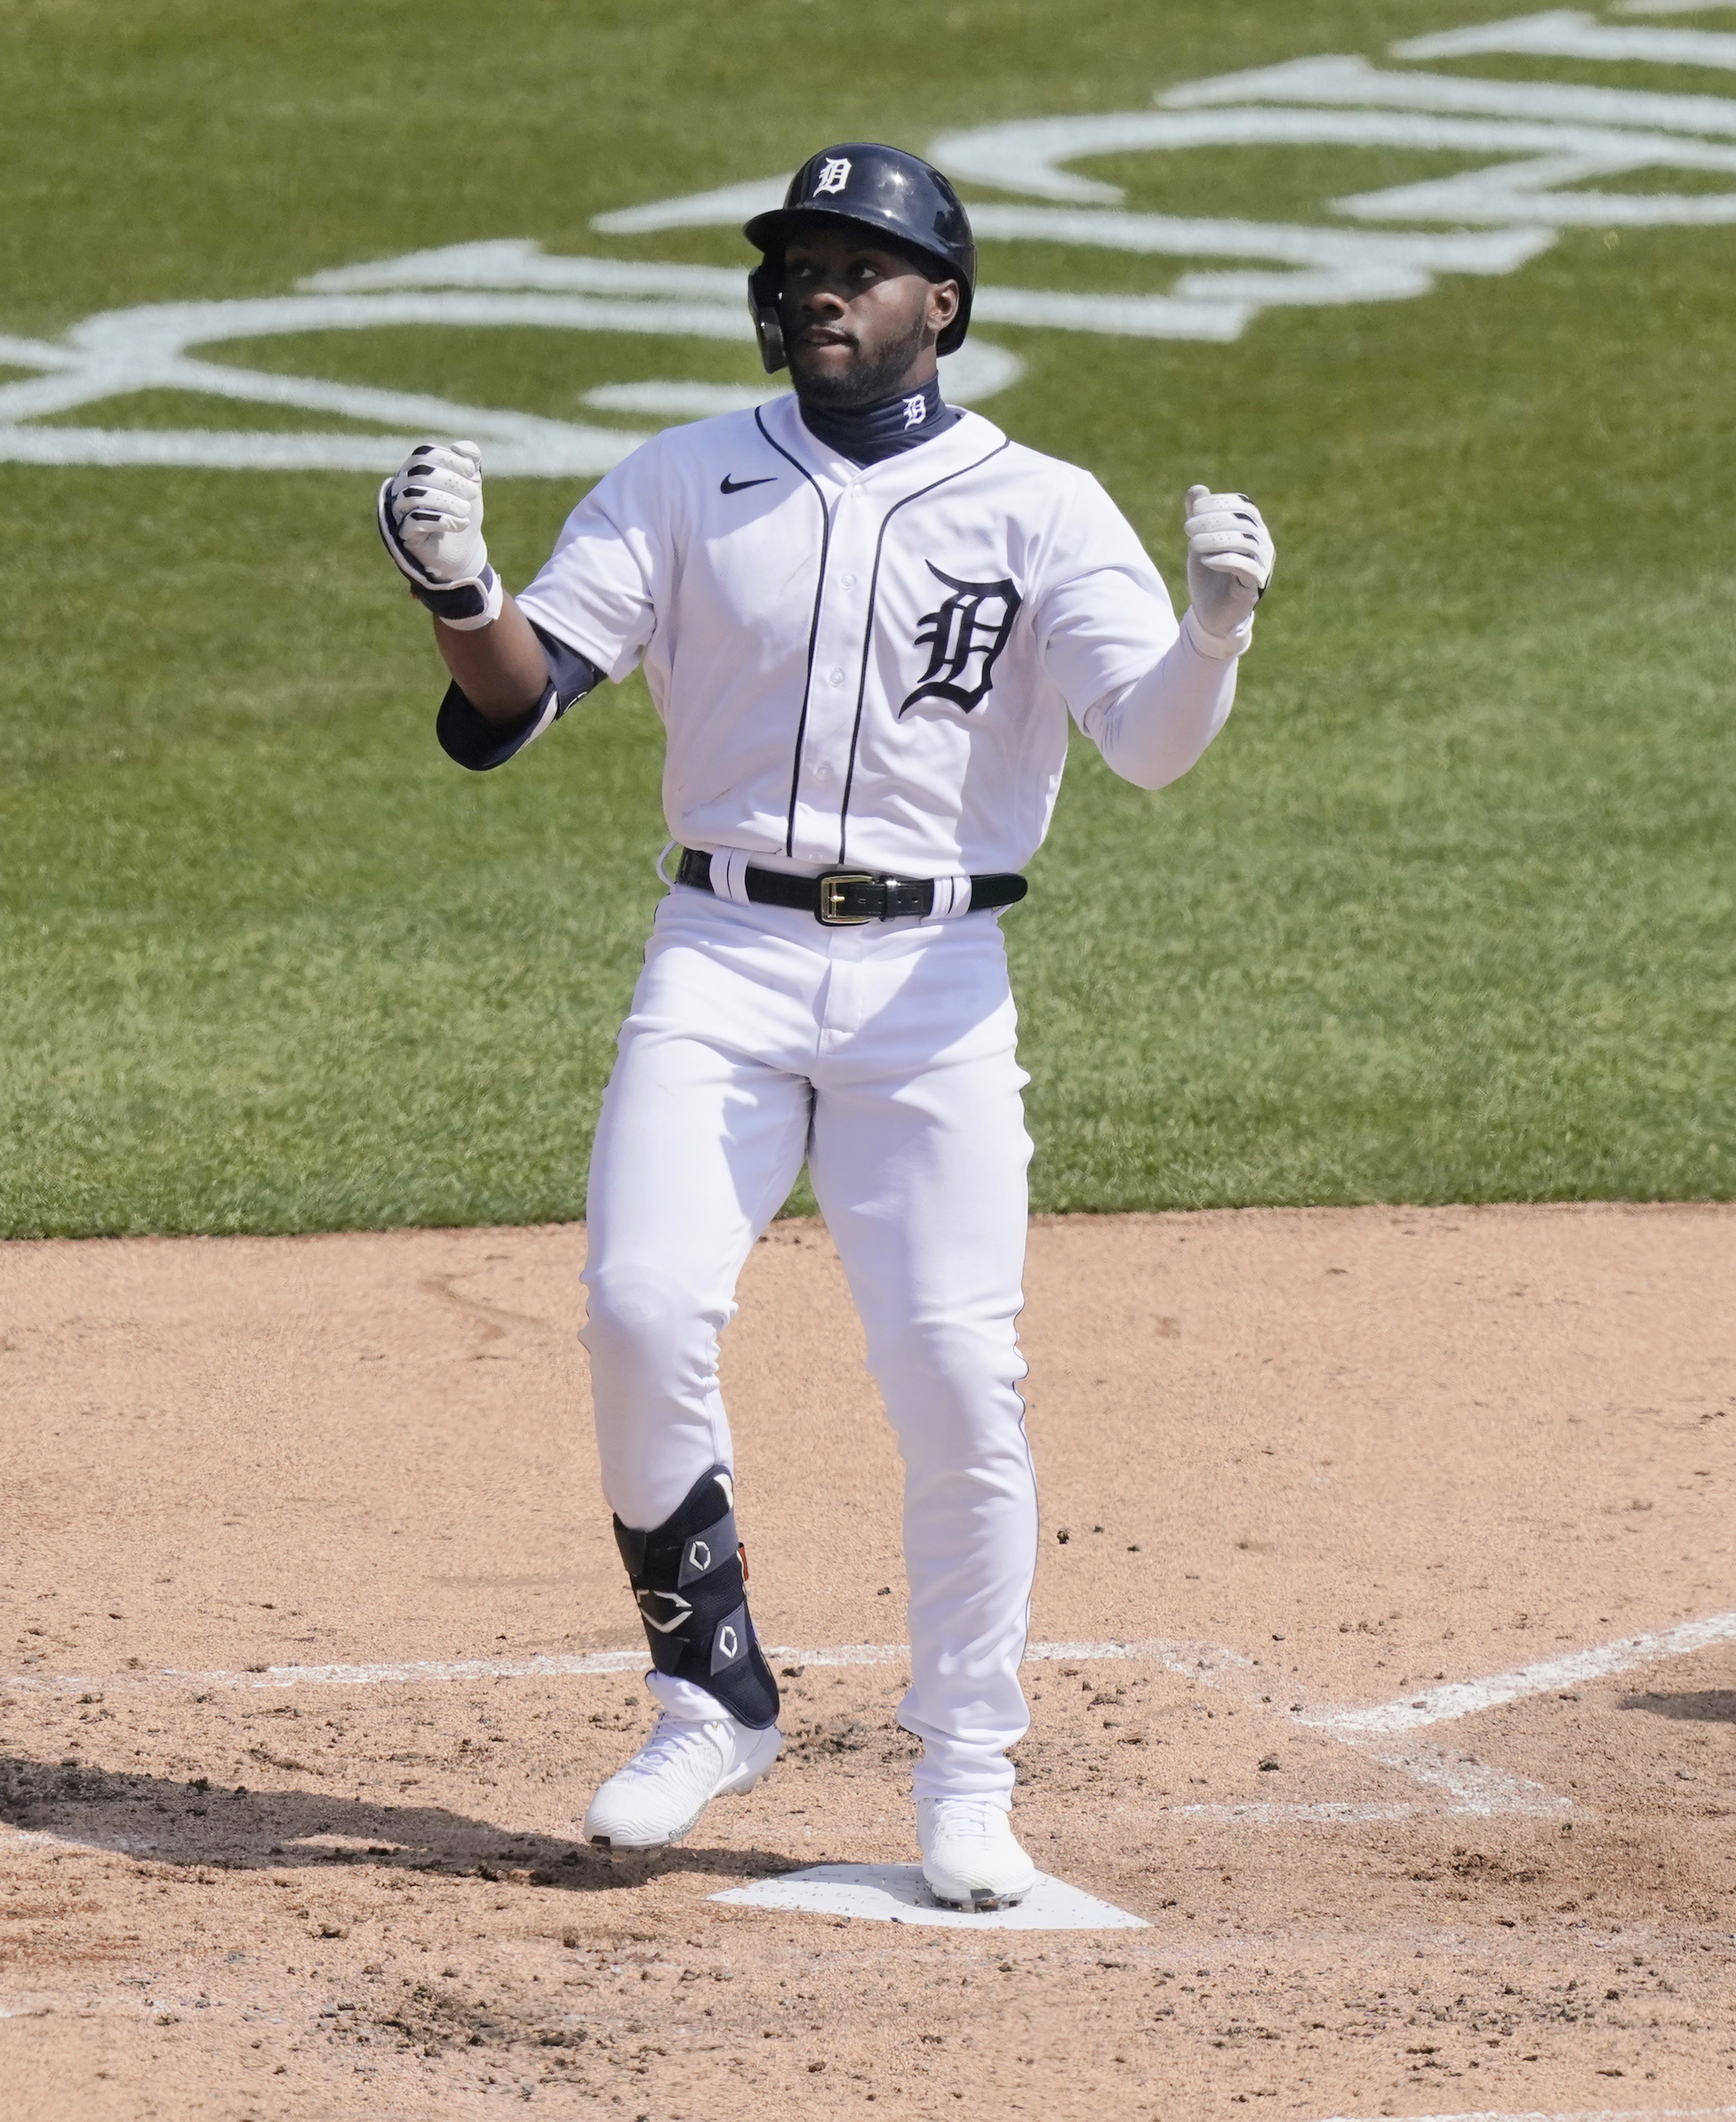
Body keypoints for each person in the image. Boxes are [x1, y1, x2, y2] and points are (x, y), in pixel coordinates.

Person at [375, 142, 1274, 1911]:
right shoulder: (685, 479)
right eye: (798, 261)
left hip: (934, 991)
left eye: (859, 265)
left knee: (955, 1377)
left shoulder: (1040, 505)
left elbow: (1149, 744)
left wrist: (1215, 634)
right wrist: (456, 591)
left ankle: (968, 1771)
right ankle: (707, 1686)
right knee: (638, 1305)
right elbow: (515, 704)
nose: (819, 289)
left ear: (941, 301)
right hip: (717, 953)